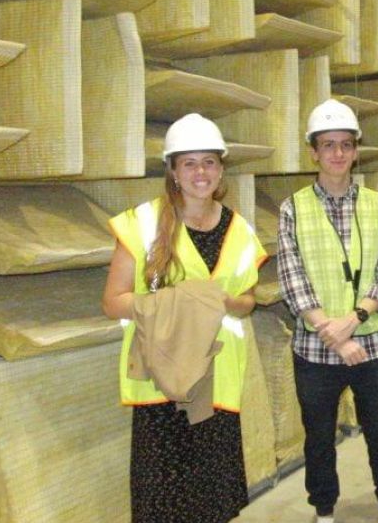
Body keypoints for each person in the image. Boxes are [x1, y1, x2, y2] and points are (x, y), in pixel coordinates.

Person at [102, 113, 266, 523]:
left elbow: (249, 299)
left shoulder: (239, 229)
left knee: (213, 498)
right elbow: (113, 301)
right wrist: (176, 303)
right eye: (189, 162)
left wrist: (225, 301)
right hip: (163, 382)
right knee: (164, 499)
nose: (200, 172)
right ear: (173, 170)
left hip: (218, 380)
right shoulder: (143, 223)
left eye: (209, 161)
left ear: (222, 168)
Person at [277, 99, 378, 523]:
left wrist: (351, 323)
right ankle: (325, 511)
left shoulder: (377, 204)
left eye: (345, 145)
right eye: (327, 145)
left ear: (355, 151)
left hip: (373, 346)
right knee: (318, 439)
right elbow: (293, 281)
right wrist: (330, 333)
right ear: (313, 151)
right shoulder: (292, 209)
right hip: (315, 352)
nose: (337, 153)